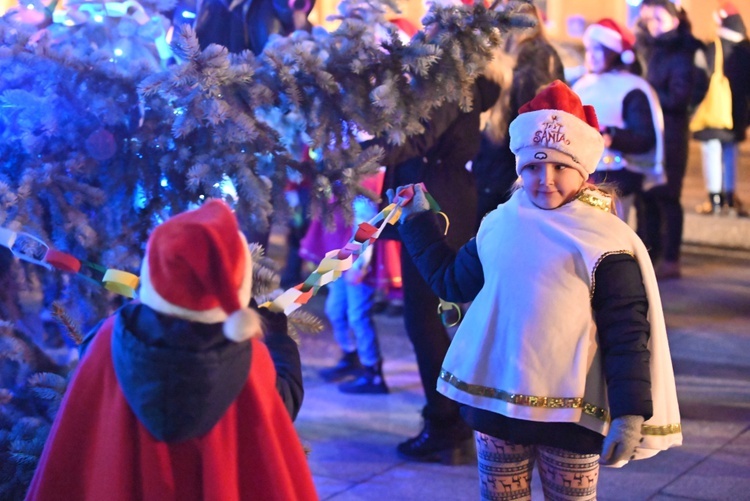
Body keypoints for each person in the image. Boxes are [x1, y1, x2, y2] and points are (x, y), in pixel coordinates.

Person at [389, 81, 682, 500]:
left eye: (559, 167)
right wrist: (417, 222)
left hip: (571, 417)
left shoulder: (605, 241)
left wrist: (629, 414)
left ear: (582, 169)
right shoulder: (500, 222)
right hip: (496, 408)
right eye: (532, 167)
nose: (544, 180)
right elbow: (452, 282)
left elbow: (627, 334)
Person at [26, 200, 317, 501]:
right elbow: (282, 403)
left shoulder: (110, 337)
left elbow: (81, 425)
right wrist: (278, 338)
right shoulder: (245, 354)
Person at [370, 72, 500, 463]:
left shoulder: (450, 81)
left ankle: (449, 421)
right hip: (430, 197)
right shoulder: (445, 77)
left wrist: (358, 146)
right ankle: (453, 416)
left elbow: (415, 139)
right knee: (429, 315)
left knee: (424, 316)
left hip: (435, 204)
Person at [473, 0, 565, 226]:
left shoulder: (538, 56)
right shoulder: (497, 55)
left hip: (512, 163)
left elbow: (538, 114)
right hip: (494, 160)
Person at [635, 0, 708, 279]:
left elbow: (681, 97)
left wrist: (646, 94)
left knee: (667, 195)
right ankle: (648, 255)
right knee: (646, 196)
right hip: (646, 131)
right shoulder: (646, 47)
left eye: (659, 19)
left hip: (671, 134)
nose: (653, 25)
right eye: (648, 19)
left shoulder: (682, 51)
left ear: (675, 20)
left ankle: (670, 257)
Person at [300, 172, 389, 394]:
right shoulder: (336, 177)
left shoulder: (363, 181)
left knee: (358, 315)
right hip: (338, 257)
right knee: (335, 310)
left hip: (355, 262)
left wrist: (359, 265)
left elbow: (367, 224)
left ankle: (373, 372)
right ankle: (352, 356)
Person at [573, 18, 665, 223]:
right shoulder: (581, 85)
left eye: (599, 49)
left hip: (617, 178)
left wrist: (612, 136)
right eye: (589, 49)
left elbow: (644, 137)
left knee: (612, 232)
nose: (591, 56)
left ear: (613, 53)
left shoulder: (632, 88)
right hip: (583, 175)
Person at [692, 1, 750, 217]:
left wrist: (693, 107)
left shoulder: (712, 48)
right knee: (730, 155)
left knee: (712, 153)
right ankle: (729, 196)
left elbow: (700, 81)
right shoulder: (746, 50)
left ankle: (714, 199)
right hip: (737, 115)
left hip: (713, 111)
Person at [194, 0, 315, 54]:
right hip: (213, 87)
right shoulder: (209, 5)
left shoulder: (268, 4)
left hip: (261, 85)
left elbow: (289, 12)